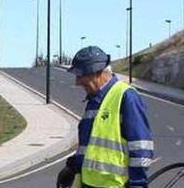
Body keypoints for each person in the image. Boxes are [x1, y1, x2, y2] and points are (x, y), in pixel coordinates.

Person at [57, 46, 154, 188]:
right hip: (88, 184)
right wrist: (73, 166)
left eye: (80, 76)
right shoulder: (93, 100)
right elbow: (89, 147)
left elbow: (141, 148)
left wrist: (138, 184)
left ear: (97, 72)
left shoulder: (126, 97)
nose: (77, 82)